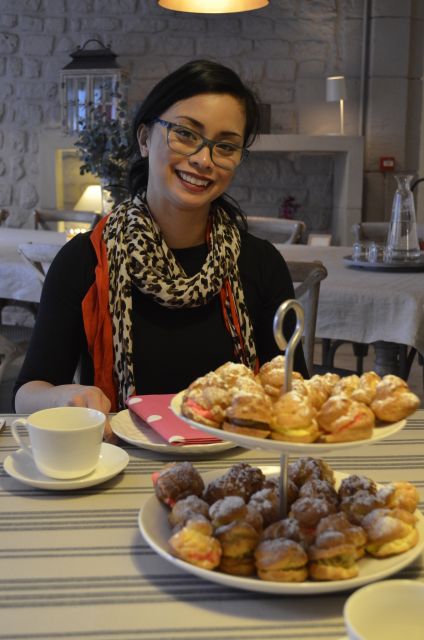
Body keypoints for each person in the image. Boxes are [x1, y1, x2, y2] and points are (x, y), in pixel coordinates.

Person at [14, 59, 308, 440]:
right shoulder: (85, 260)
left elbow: (292, 388)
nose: (204, 159)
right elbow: (27, 392)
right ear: (144, 138)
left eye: (226, 146)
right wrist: (62, 397)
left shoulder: (260, 263)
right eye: (186, 134)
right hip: (118, 464)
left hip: (236, 471)